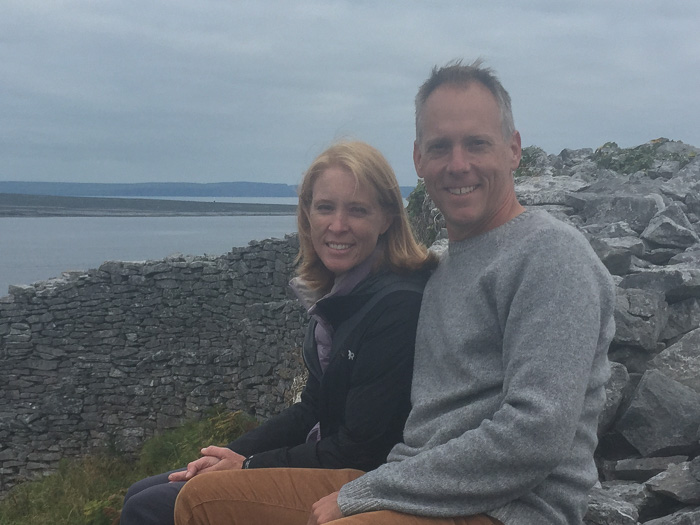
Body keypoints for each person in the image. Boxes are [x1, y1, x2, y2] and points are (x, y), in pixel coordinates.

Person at [173, 60, 616, 525]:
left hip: (508, 508)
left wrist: (367, 491)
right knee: (200, 501)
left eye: (477, 143)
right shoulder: (445, 271)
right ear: (418, 159)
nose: (458, 164)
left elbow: (534, 434)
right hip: (414, 485)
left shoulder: (550, 255)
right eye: (440, 147)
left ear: (513, 148)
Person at [119, 140, 437, 525]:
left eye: (357, 210)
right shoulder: (347, 292)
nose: (338, 225)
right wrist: (226, 455)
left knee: (148, 508)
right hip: (333, 460)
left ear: (387, 218)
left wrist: (248, 465)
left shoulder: (395, 306)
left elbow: (360, 449)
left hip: (365, 478)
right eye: (324, 207)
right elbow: (314, 407)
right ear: (307, 215)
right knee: (143, 491)